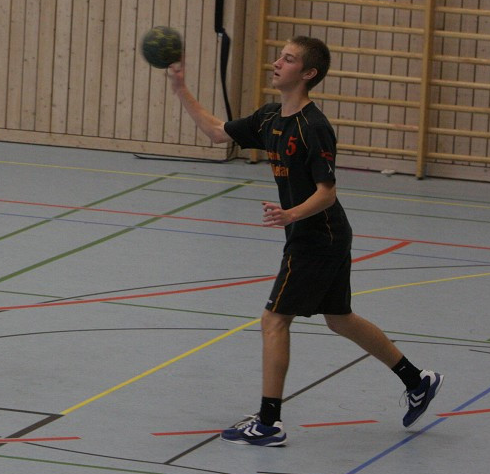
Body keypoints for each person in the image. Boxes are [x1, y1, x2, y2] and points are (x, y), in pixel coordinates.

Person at [166, 36, 443, 446]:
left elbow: (327, 191)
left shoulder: (314, 128)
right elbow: (215, 132)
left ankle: (268, 422)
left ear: (308, 73)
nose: (277, 62)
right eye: (280, 55)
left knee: (274, 320)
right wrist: (180, 88)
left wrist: (290, 215)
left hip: (318, 236)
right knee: (339, 318)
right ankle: (417, 379)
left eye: (288, 59)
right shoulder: (270, 118)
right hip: (317, 233)